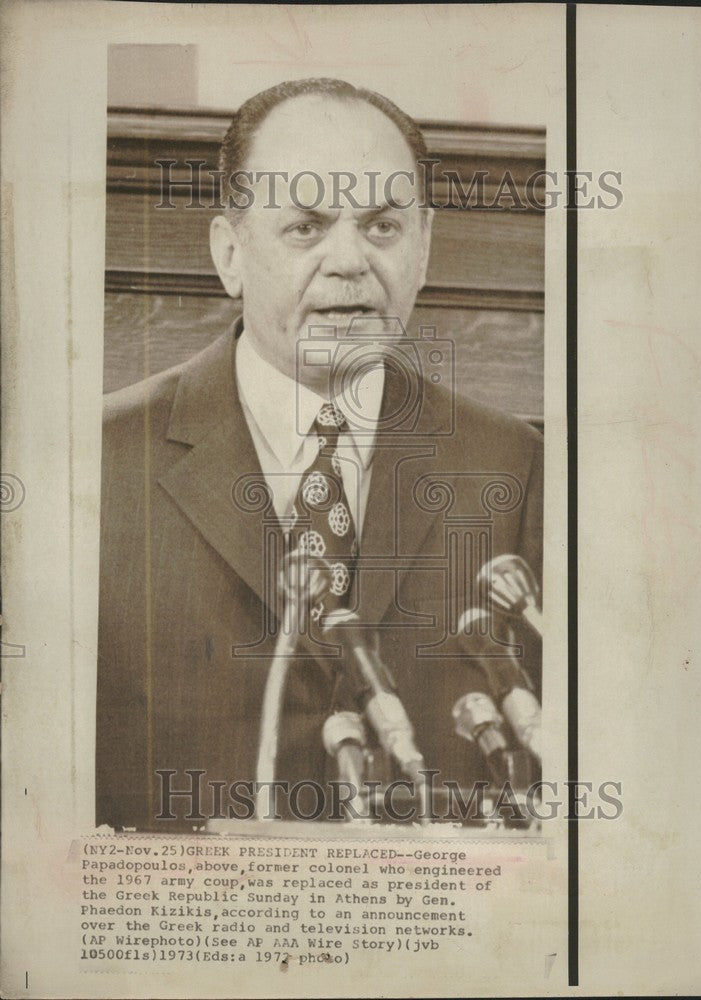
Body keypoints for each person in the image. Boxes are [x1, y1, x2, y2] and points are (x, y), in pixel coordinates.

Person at [96, 78, 543, 830]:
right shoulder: (94, 463)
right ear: (229, 254)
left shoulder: (511, 465)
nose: (350, 261)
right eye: (306, 227)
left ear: (425, 246)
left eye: (382, 226)